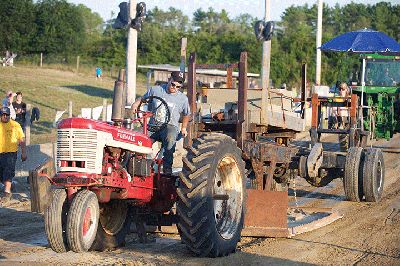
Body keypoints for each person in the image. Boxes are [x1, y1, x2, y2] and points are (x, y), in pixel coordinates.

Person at [131, 71, 190, 175]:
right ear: (169, 79)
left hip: (170, 127)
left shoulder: (183, 99)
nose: (174, 88)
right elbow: (143, 99)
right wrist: (136, 104)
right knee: (138, 138)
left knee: (170, 136)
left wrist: (184, 128)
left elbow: (186, 114)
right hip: (153, 126)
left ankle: (167, 168)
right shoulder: (156, 90)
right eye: (173, 84)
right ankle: (138, 166)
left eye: (178, 87)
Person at [0, 107, 27, 205]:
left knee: (8, 171)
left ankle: (7, 193)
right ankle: (11, 185)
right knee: (2, 175)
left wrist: (24, 152)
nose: (5, 116)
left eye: (6, 114)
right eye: (3, 115)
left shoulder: (15, 125)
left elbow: (21, 140)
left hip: (11, 153)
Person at [331, 82, 350, 151]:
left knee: (348, 135)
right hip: (339, 119)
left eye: (343, 89)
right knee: (342, 135)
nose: (341, 91)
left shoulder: (349, 98)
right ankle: (343, 150)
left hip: (348, 119)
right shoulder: (336, 98)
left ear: (346, 90)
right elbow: (333, 110)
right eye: (340, 89)